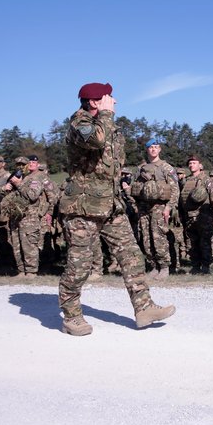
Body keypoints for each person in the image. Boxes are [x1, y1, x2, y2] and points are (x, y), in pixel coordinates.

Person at [59, 82, 175, 336]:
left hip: (111, 205)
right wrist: (107, 115)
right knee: (80, 264)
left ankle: (144, 308)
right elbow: (96, 140)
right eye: (108, 97)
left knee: (131, 254)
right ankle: (71, 315)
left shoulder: (109, 125)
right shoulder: (80, 124)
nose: (113, 101)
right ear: (93, 102)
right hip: (83, 206)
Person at [132, 139, 179, 278]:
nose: (153, 149)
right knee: (145, 238)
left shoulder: (166, 168)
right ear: (147, 150)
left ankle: (164, 267)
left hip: (159, 207)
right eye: (150, 147)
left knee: (159, 237)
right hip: (143, 208)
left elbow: (175, 190)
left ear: (159, 150)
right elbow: (134, 189)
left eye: (155, 147)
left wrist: (168, 208)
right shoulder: (141, 169)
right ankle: (153, 266)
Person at [2, 155, 56, 277]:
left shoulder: (39, 178)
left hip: (30, 216)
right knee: (16, 242)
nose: (31, 164)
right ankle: (21, 270)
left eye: (33, 162)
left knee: (29, 243)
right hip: (17, 215)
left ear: (37, 164)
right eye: (29, 162)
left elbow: (32, 195)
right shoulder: (24, 177)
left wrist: (19, 184)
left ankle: (31, 271)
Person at [179, 155, 213, 273]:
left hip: (203, 216)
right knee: (192, 243)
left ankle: (205, 267)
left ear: (200, 165)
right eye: (190, 163)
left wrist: (212, 214)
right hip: (189, 216)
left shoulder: (206, 179)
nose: (191, 165)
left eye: (194, 163)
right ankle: (195, 266)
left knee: (205, 242)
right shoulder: (186, 181)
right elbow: (181, 199)